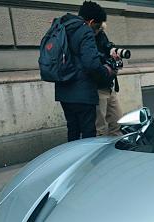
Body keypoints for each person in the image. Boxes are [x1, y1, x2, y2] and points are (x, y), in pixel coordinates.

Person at [55, 1, 113, 141]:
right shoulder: (85, 30)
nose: (97, 30)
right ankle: (89, 163)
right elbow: (91, 64)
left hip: (64, 91)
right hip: (82, 93)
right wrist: (107, 71)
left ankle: (74, 161)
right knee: (88, 135)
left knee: (73, 131)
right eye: (97, 27)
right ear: (91, 21)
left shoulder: (62, 27)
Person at [95, 23, 123, 136]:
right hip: (98, 88)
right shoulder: (88, 39)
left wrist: (115, 58)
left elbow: (108, 50)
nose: (100, 30)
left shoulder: (102, 35)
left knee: (118, 123)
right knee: (99, 129)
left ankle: (117, 152)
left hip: (109, 87)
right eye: (99, 28)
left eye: (102, 29)